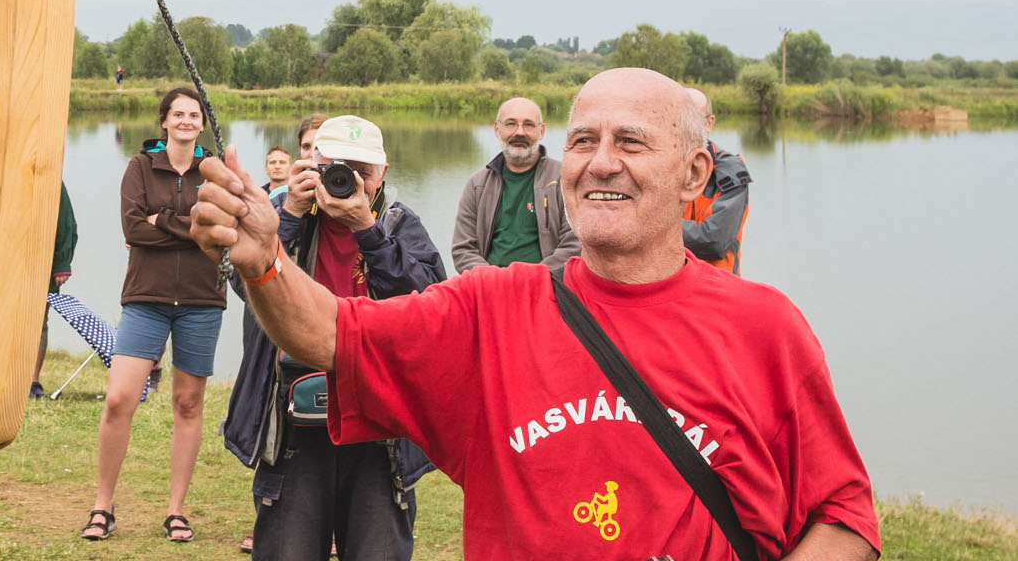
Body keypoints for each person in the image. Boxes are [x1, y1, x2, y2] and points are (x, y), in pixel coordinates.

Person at [193, 67, 880, 561]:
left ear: (695, 174)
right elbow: (332, 334)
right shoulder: (494, 309)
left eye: (631, 142)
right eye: (584, 142)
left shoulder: (765, 327)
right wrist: (264, 259)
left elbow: (845, 520)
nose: (601, 164)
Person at [224, 116, 444, 560]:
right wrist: (287, 219)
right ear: (314, 165)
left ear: (383, 175)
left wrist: (369, 230)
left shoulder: (399, 224)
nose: (351, 182)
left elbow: (429, 307)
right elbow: (245, 285)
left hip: (381, 423)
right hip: (293, 417)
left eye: (363, 172)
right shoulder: (287, 215)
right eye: (339, 168)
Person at [81, 87, 225, 544]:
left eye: (193, 114)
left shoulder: (214, 171)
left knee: (187, 403)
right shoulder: (140, 167)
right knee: (119, 399)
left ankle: (176, 511)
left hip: (202, 301)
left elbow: (221, 233)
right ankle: (103, 506)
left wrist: (160, 221)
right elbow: (131, 227)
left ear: (202, 123)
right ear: (164, 121)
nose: (185, 120)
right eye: (177, 114)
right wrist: (190, 229)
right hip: (146, 298)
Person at [452, 96, 580, 273]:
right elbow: (463, 250)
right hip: (490, 288)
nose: (519, 132)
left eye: (528, 125)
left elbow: (574, 244)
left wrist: (531, 280)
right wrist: (496, 282)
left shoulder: (563, 179)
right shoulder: (477, 185)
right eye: (511, 124)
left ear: (541, 131)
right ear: (497, 129)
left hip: (548, 287)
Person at [682, 86, 752, 275]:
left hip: (719, 289)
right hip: (669, 290)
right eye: (678, 117)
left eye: (693, 118)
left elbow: (714, 241)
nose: (684, 126)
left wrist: (654, 228)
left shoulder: (730, 171)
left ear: (709, 123)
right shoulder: (655, 166)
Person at [29, 181, 78, 398]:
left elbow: (66, 221)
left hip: (40, 260)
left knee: (38, 323)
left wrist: (61, 263)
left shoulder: (49, 177)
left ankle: (32, 381)